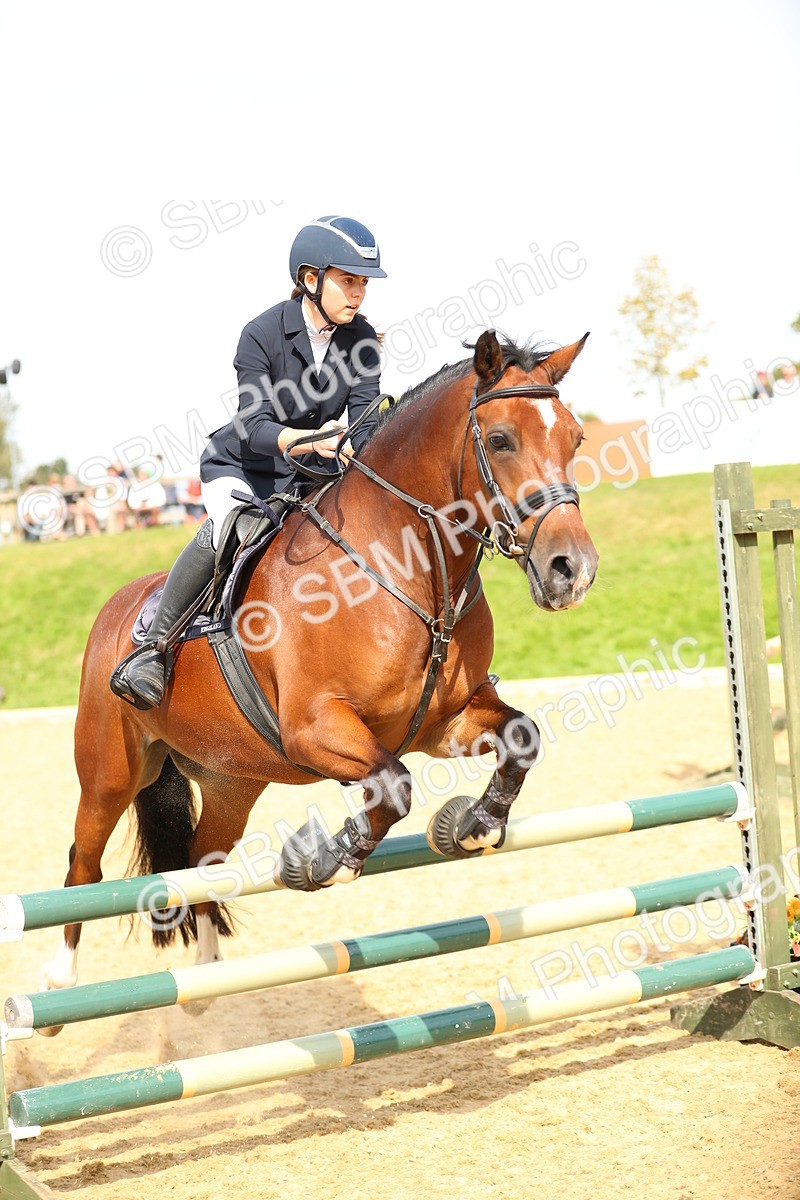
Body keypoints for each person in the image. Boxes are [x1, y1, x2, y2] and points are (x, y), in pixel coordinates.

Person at [111, 215, 387, 709]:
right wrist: (309, 440)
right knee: (230, 528)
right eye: (348, 281)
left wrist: (354, 446)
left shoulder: (361, 338)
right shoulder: (260, 333)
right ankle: (152, 649)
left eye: (363, 283)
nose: (359, 293)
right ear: (310, 279)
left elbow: (365, 418)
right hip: (245, 467)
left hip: (313, 475)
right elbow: (254, 425)